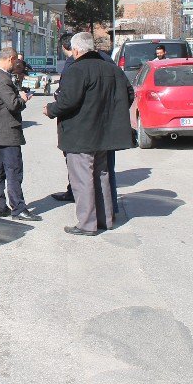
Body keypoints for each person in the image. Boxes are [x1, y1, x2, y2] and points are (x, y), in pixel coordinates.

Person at [44, 32, 134, 236]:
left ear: (76, 50)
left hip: (81, 135)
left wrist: (50, 109)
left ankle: (87, 224)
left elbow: (67, 101)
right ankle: (105, 219)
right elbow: (128, 94)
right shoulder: (112, 68)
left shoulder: (77, 70)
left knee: (83, 179)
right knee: (101, 176)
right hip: (105, 134)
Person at [0, 46, 42, 222]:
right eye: (16, 61)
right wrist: (23, 98)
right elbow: (13, 105)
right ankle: (18, 208)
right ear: (10, 59)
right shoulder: (1, 79)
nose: (16, 65)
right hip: (7, 132)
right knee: (14, 171)